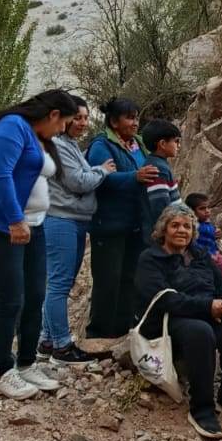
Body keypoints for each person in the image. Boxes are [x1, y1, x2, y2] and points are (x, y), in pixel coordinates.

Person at [0, 89, 78, 399]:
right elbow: (0, 175)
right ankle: (2, 371)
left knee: (34, 295)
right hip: (2, 228)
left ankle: (27, 363)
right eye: (63, 123)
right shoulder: (11, 127)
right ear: (53, 114)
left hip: (34, 227)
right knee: (11, 298)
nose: (62, 130)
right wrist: (15, 219)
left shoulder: (38, 136)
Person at [135, 202, 222, 440]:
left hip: (209, 312)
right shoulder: (151, 258)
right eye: (175, 225)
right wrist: (208, 307)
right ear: (164, 230)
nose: (181, 230)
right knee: (200, 332)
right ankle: (202, 408)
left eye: (187, 226)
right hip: (171, 319)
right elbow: (165, 300)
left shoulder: (200, 255)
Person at [39, 95, 114, 365]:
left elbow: (80, 174)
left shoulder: (69, 145)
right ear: (64, 118)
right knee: (59, 283)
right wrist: (103, 171)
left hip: (73, 220)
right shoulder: (58, 145)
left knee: (62, 282)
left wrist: (94, 170)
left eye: (85, 117)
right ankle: (61, 345)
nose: (82, 123)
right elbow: (77, 181)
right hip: (61, 220)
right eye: (77, 117)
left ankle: (47, 340)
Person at [86, 98, 159, 340]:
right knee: (108, 279)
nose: (135, 123)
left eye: (137, 117)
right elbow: (101, 179)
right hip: (109, 225)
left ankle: (124, 330)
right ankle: (99, 335)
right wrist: (134, 177)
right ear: (114, 122)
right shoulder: (102, 145)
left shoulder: (137, 143)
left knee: (130, 277)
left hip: (136, 223)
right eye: (129, 118)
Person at [141, 118, 182, 230]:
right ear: (163, 144)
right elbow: (161, 208)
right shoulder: (158, 169)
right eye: (176, 141)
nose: (178, 146)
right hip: (162, 235)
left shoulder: (158, 163)